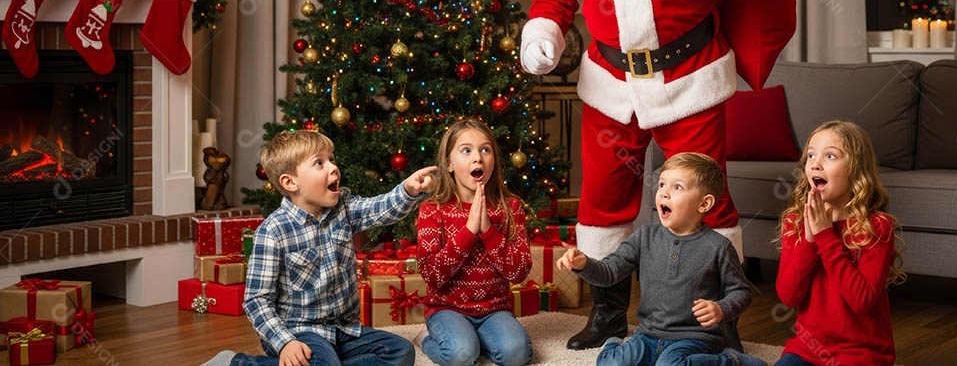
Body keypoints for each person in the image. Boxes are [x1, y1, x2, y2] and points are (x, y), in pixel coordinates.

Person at [519, 0, 797, 349]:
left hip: (688, 80)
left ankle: (720, 317)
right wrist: (543, 37)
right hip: (609, 84)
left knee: (704, 200)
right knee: (602, 200)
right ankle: (606, 314)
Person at [203, 130, 437, 366]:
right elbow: (256, 300)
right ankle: (237, 363)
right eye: (319, 163)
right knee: (322, 363)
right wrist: (285, 342)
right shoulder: (273, 231)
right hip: (298, 331)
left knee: (401, 351)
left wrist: (408, 190)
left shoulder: (344, 207)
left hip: (343, 328)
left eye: (332, 159)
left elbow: (380, 209)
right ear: (290, 182)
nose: (333, 168)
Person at [555, 152, 767, 366]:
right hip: (647, 334)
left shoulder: (719, 247)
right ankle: (613, 343)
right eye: (662, 184)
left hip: (694, 338)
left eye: (677, 187)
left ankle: (733, 361)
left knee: (670, 365)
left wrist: (721, 308)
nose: (664, 193)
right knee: (610, 364)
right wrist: (583, 264)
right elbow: (610, 272)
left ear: (704, 204)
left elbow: (741, 292)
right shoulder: (644, 237)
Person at [774, 120, 906, 366]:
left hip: (862, 353)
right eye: (811, 154)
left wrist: (825, 237)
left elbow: (861, 300)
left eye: (830, 156)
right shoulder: (795, 221)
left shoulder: (877, 226)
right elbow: (788, 296)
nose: (816, 163)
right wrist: (810, 240)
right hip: (807, 350)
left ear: (856, 169)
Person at [415, 118, 533, 366]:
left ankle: (479, 339)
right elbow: (432, 275)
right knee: (460, 356)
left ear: (493, 161)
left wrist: (489, 231)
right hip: (447, 309)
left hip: (494, 309)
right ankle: (426, 338)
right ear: (449, 163)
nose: (477, 157)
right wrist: (469, 231)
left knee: (517, 354)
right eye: (466, 150)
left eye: (485, 149)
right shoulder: (432, 209)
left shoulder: (510, 208)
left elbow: (519, 271)